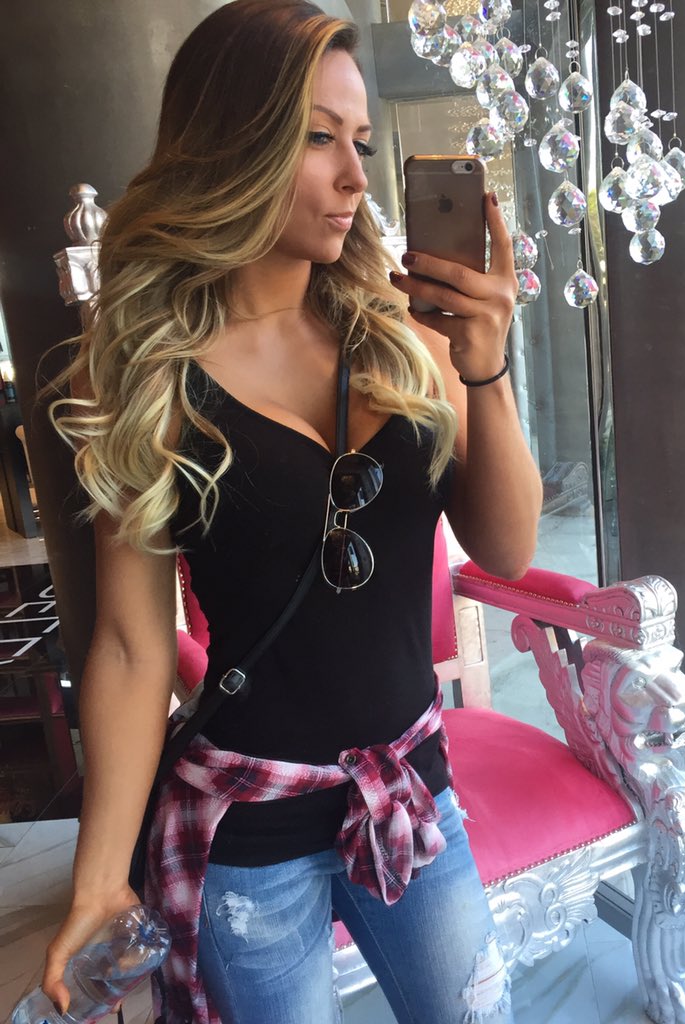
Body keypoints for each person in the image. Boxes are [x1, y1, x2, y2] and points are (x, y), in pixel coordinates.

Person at [40, 1, 542, 1022]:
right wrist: (97, 878)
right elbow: (133, 646)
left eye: (362, 143)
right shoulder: (148, 374)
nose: (355, 177)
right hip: (249, 822)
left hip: (409, 788)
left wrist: (486, 367)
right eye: (319, 138)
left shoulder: (406, 333)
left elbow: (506, 546)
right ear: (232, 145)